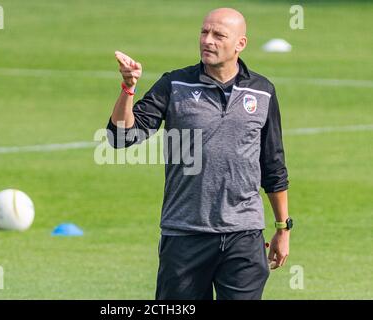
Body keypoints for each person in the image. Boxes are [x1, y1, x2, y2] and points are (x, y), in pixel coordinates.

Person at [106, 7, 292, 300]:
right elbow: (122, 137)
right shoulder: (174, 85)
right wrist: (128, 89)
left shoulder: (263, 91)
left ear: (240, 44)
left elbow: (273, 165)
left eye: (219, 35)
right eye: (204, 32)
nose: (208, 40)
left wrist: (283, 227)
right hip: (184, 234)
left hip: (244, 235)